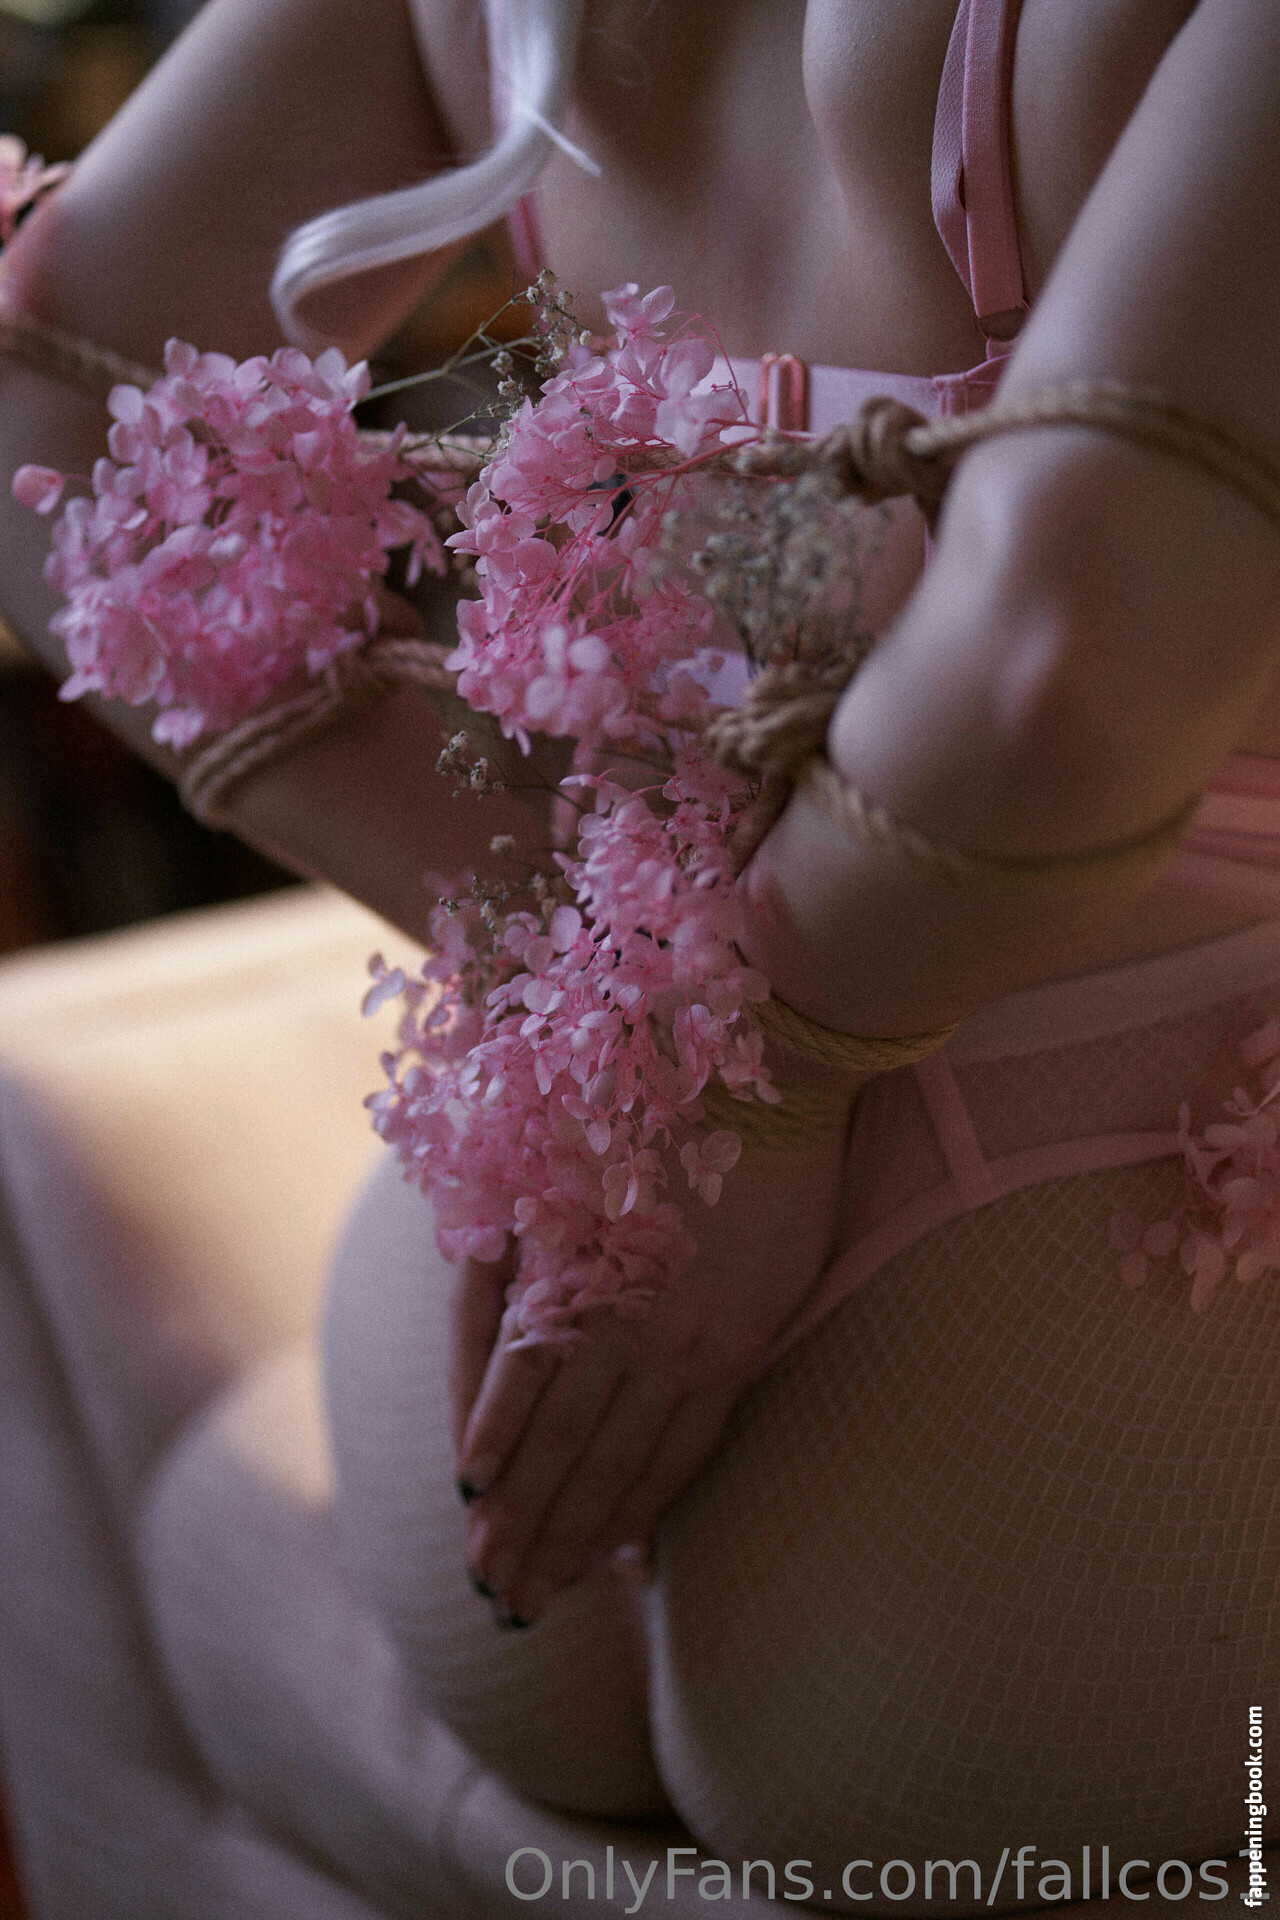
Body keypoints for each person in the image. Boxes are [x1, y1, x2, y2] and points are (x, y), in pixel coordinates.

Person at [0, 0, 1278, 1910]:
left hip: (556, 1297)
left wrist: (621, 994)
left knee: (168, 1474)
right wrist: (743, 1072)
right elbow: (1051, 667)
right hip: (1082, 1317)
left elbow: (45, 399)